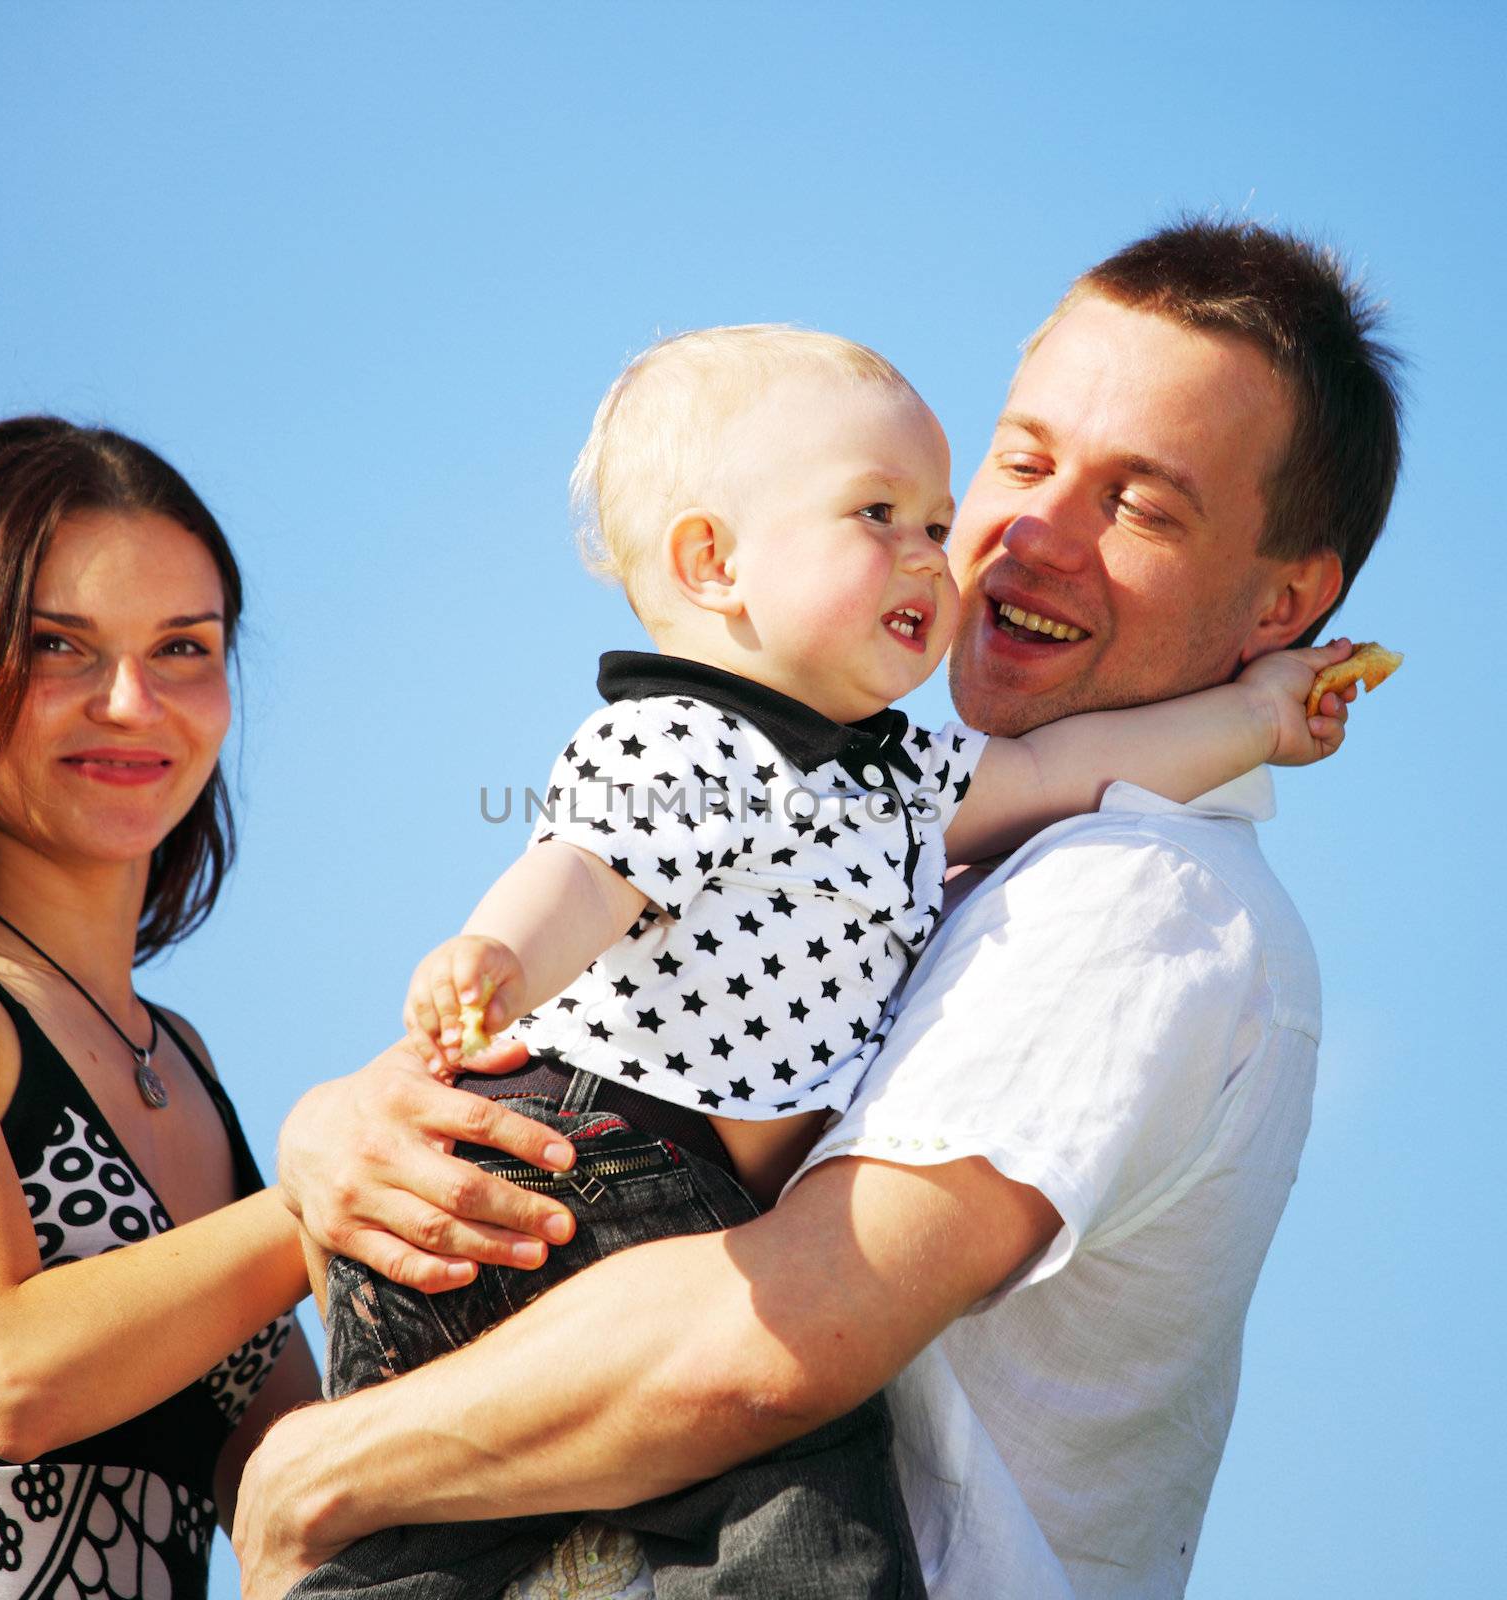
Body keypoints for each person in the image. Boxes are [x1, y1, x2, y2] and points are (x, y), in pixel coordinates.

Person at [235, 218, 1402, 1600]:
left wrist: (324, 1470)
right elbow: (574, 980)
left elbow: (779, 1334)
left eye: (1142, 504)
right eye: (1021, 461)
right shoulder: (925, 825)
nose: (1024, 532)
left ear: (1287, 602)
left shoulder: (1143, 897)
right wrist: (330, 1130)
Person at [0, 418, 364, 1599]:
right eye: (59, 644)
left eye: (183, 647)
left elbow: (303, 1485)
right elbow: (5, 1376)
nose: (131, 702)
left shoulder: (185, 1058)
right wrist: (328, 1198)